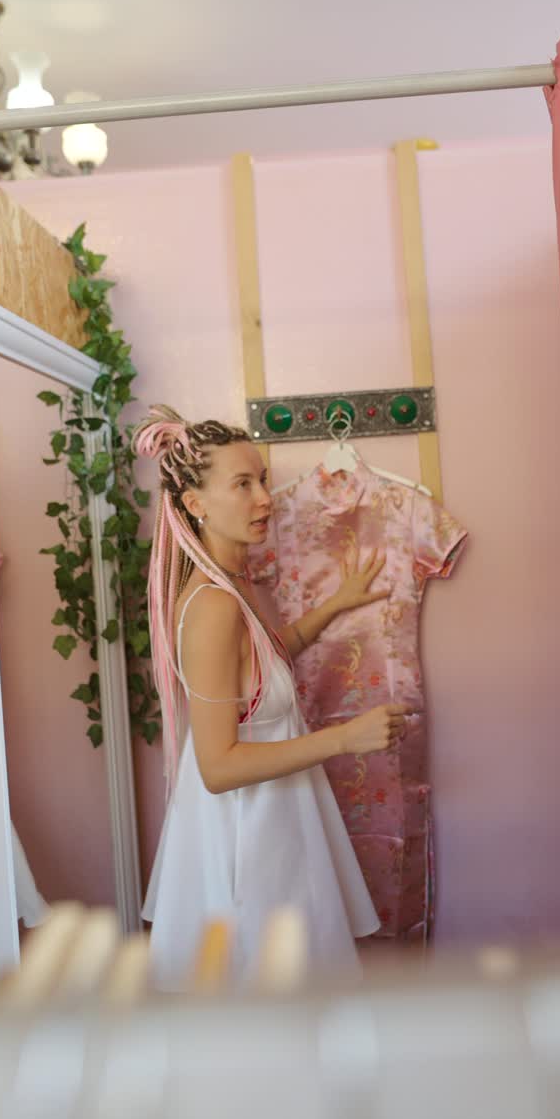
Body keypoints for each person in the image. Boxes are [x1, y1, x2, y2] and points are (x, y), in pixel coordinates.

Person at [134, 405, 409, 986]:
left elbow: (262, 665)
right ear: (195, 505)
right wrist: (345, 738)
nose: (265, 498)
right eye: (243, 484)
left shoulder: (236, 585)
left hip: (277, 818)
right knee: (264, 992)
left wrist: (337, 603)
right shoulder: (211, 606)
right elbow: (217, 766)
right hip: (248, 837)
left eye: (261, 479)